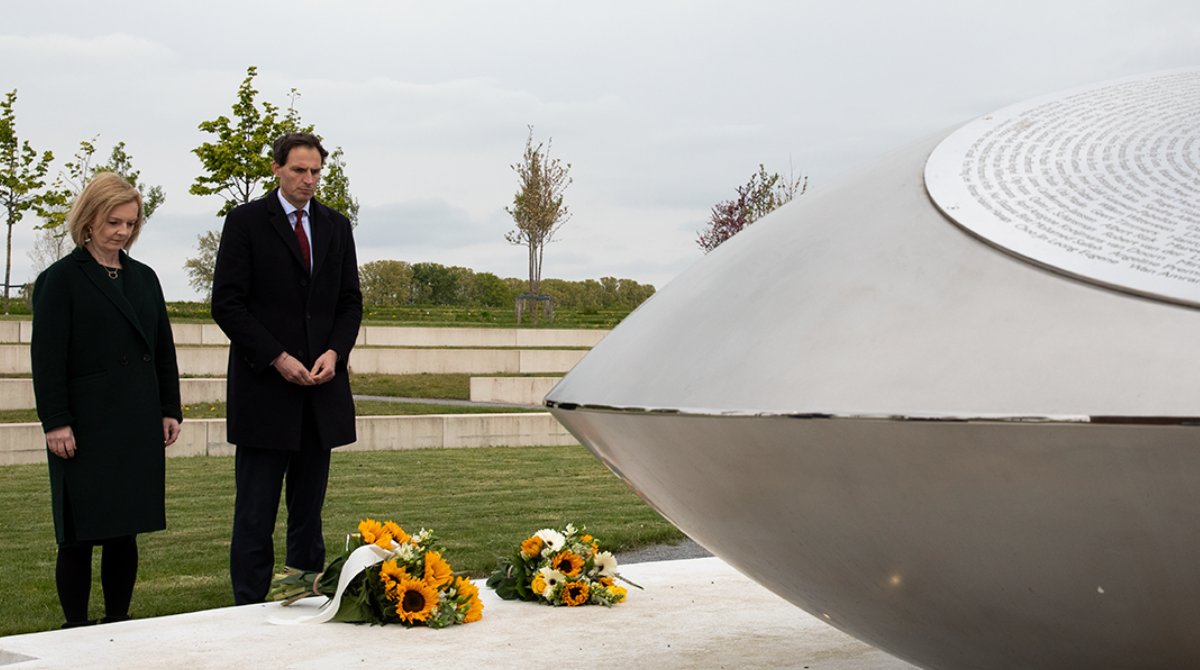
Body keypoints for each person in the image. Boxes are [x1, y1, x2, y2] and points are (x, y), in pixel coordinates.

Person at [212, 132, 362, 605]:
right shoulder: (245, 222)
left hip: (320, 392)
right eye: (300, 170)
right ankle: (248, 605)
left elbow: (349, 303)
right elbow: (227, 305)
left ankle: (305, 599)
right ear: (276, 169)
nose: (309, 180)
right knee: (254, 513)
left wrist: (335, 352)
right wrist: (277, 357)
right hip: (265, 391)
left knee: (308, 512)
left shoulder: (337, 227)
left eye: (316, 171)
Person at [31, 172, 183, 628]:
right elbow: (48, 358)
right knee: (76, 536)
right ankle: (74, 627)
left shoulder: (145, 278)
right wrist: (56, 421)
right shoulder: (59, 280)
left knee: (124, 530)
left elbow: (162, 349)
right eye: (113, 221)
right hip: (83, 426)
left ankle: (119, 619)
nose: (122, 231)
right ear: (89, 220)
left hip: (135, 420)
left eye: (131, 223)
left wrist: (169, 408)